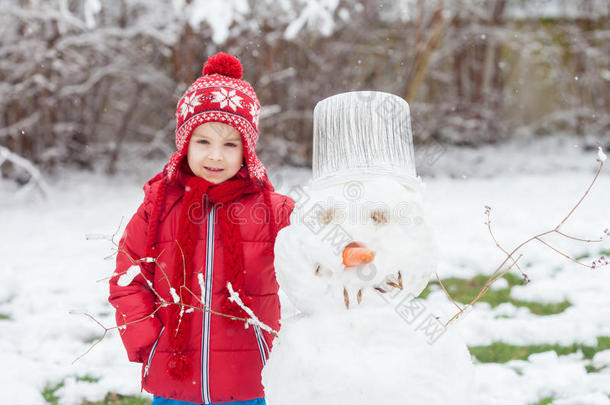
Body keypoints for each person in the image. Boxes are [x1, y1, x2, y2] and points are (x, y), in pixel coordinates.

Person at [108, 52, 295, 405]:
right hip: (174, 381)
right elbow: (126, 278)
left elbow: (320, 255)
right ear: (185, 144)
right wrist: (149, 342)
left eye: (230, 144)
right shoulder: (160, 205)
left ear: (247, 150)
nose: (215, 156)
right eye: (203, 141)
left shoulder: (272, 210)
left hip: (251, 380)